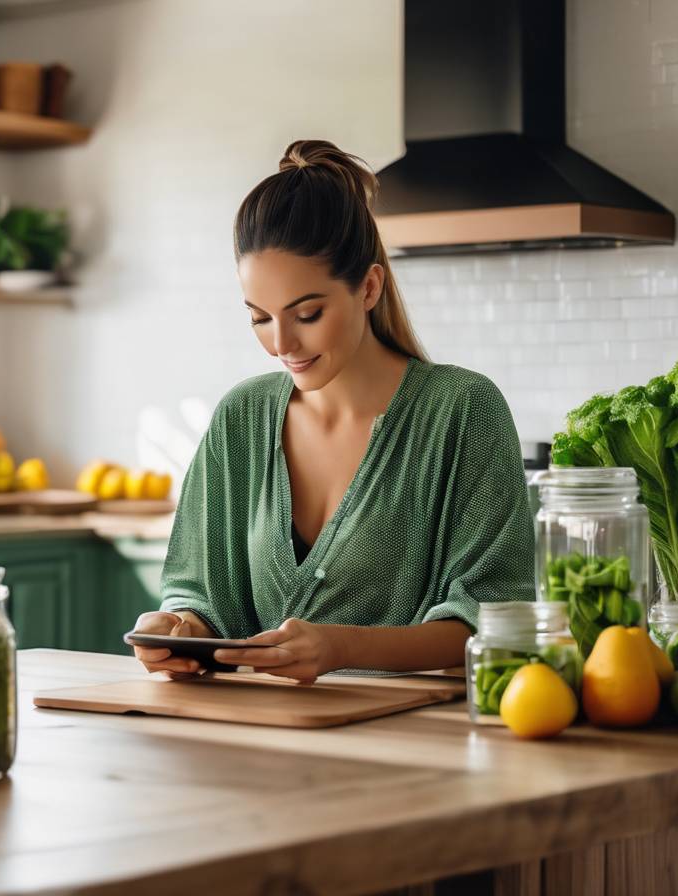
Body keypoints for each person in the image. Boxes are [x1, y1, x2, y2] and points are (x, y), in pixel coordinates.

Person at [132, 139, 535, 683]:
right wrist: (180, 629)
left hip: (416, 747)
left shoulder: (463, 411)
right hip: (256, 742)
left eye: (308, 313)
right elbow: (202, 595)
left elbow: (492, 619)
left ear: (368, 287)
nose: (281, 344)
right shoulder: (241, 417)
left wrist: (338, 647)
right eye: (259, 318)